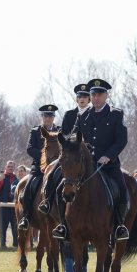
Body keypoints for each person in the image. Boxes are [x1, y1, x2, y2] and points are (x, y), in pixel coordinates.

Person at [55, 79, 129, 241]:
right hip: (85, 166)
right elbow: (74, 135)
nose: (96, 98)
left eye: (99, 94)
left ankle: (119, 226)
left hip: (108, 165)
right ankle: (63, 226)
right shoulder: (84, 115)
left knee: (123, 191)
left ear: (106, 96)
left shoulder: (116, 114)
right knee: (60, 189)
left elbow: (121, 140)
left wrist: (108, 156)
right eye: (93, 94)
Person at [38, 84, 89, 217]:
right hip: (70, 155)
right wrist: (73, 143)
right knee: (53, 174)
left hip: (90, 155)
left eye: (85, 96)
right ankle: (48, 203)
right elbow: (65, 134)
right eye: (79, 97)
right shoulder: (70, 114)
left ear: (89, 99)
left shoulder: (93, 113)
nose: (82, 99)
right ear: (76, 99)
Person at [19, 104, 59, 231]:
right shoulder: (35, 131)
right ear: (42, 117)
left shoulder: (60, 130)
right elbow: (30, 148)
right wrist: (43, 159)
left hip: (55, 167)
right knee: (28, 189)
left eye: (50, 116)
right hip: (39, 168)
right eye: (45, 116)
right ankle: (26, 218)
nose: (48, 118)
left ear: (53, 117)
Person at [0, 160, 18, 248]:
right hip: (4, 206)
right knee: (3, 227)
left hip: (14, 206)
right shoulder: (2, 177)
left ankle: (16, 244)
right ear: (6, 167)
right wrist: (0, 181)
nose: (10, 168)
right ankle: (2, 244)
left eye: (12, 167)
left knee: (15, 226)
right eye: (9, 167)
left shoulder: (16, 178)